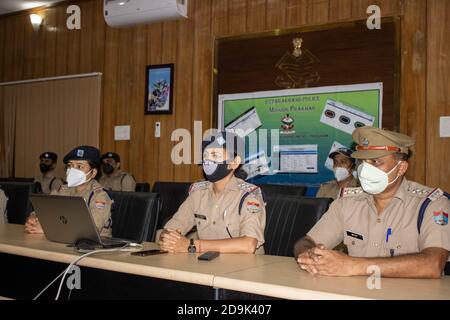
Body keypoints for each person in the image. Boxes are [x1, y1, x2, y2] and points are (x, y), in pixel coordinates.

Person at [294, 126, 450, 279]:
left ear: (401, 168)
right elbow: (306, 241)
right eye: (362, 162)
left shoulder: (431, 204)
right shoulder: (347, 203)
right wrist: (309, 255)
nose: (366, 169)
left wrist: (352, 266)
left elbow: (433, 264)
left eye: (375, 162)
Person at [159, 131, 266, 254]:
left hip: (244, 269)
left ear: (234, 162)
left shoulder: (249, 196)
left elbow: (248, 245)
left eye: (215, 155)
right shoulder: (198, 193)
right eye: (205, 156)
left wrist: (193, 246)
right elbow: (169, 230)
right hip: (206, 266)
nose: (208, 161)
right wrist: (169, 239)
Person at [25, 146, 113, 237]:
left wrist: (48, 229)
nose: (73, 170)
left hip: (93, 246)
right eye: (70, 165)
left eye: (79, 166)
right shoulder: (63, 190)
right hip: (62, 241)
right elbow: (44, 208)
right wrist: (34, 218)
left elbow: (89, 231)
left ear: (93, 173)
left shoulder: (100, 196)